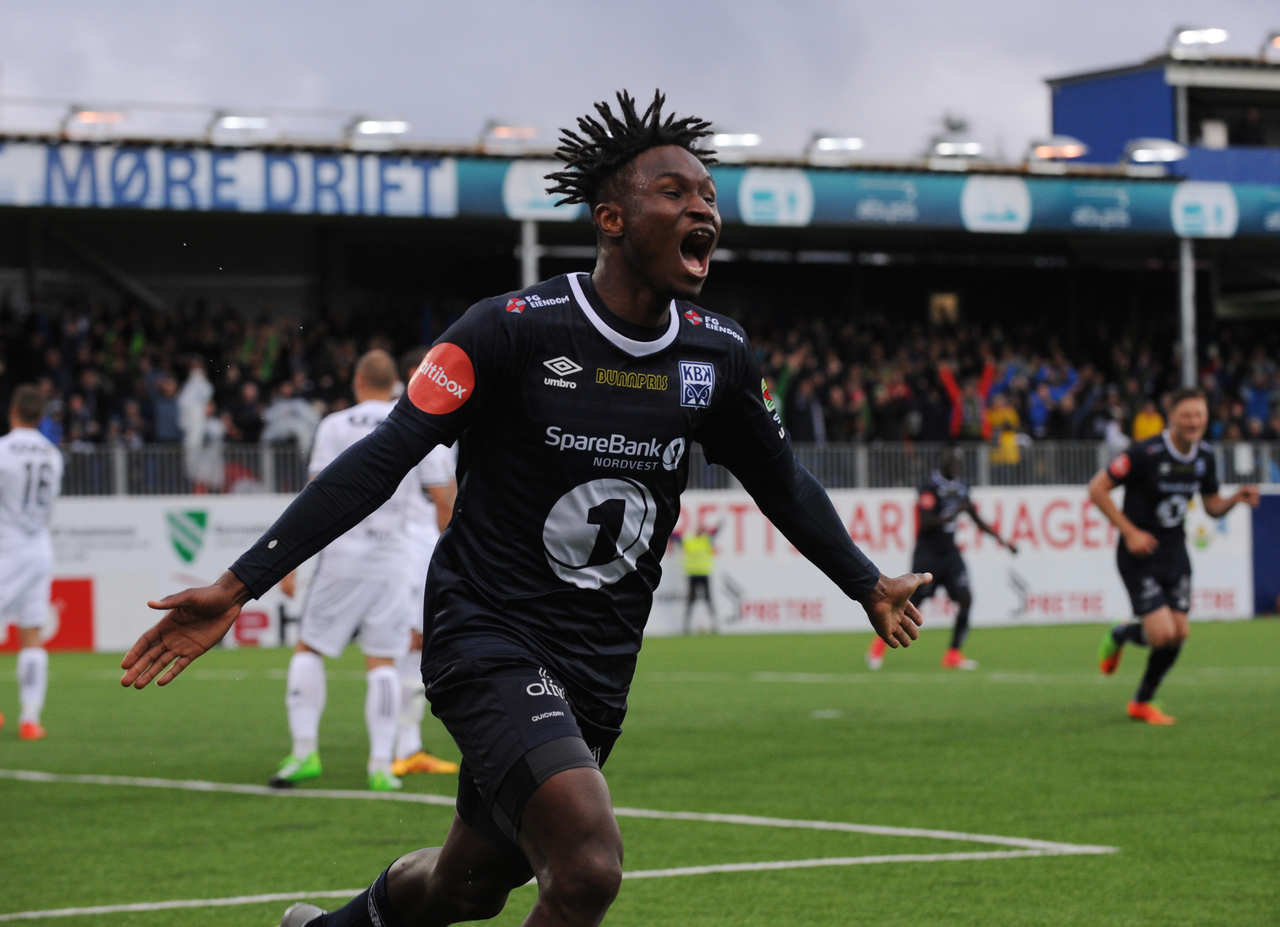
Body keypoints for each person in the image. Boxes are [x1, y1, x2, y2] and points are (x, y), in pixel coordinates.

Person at [119, 90, 929, 927]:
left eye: (708, 197)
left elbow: (782, 480)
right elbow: (384, 458)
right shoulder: (509, 329)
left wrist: (865, 582)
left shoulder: (715, 353)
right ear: (611, 218)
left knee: (467, 884)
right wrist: (241, 582)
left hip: (599, 660)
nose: (702, 209)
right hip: (488, 634)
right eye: (675, 193)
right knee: (585, 868)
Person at [268, 350, 420, 792]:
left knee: (309, 649)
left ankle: (304, 752)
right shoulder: (415, 420)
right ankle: (381, 765)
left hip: (343, 556)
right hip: (392, 556)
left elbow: (317, 497)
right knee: (384, 662)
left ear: (357, 382)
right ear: (394, 383)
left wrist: (290, 556)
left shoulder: (335, 426)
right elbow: (442, 496)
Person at [1090, 388, 1258, 725]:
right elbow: (1097, 489)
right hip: (1139, 554)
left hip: (1175, 553)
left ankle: (1141, 701)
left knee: (1180, 634)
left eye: (1199, 415)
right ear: (1172, 418)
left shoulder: (1205, 457)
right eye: (1187, 415)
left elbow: (1211, 507)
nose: (1194, 421)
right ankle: (1122, 636)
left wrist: (1235, 498)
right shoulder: (1144, 453)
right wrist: (1130, 532)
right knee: (1162, 635)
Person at [867, 447, 1016, 671]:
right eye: (952, 462)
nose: (956, 466)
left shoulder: (961, 487)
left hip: (950, 552)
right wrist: (954, 512)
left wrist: (1003, 541)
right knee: (912, 603)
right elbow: (926, 522)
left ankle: (953, 654)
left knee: (965, 598)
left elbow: (976, 517)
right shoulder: (930, 486)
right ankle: (879, 644)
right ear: (943, 462)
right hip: (928, 553)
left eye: (958, 462)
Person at [392, 347, 460, 779]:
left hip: (391, 548)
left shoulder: (391, 415)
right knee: (412, 643)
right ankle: (401, 748)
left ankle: (401, 745)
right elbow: (444, 503)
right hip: (416, 550)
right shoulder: (428, 415)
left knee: (402, 646)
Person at [0, 385, 64, 740]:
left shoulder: (3, 451)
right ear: (41, 417)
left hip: (6, 548)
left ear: (13, 410)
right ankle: (30, 719)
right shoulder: (52, 455)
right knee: (32, 633)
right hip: (39, 549)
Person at [672, 523, 718, 633]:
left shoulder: (705, 541)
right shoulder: (691, 541)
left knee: (708, 600)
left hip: (703, 573)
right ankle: (686, 627)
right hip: (693, 574)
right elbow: (675, 537)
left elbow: (715, 532)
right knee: (691, 601)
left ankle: (715, 625)